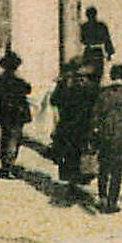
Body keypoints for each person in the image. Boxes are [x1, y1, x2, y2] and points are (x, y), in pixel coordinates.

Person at [88, 64, 122, 214]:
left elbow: (94, 116)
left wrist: (93, 134)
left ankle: (102, 199)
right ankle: (112, 202)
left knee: (104, 168)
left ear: (111, 76)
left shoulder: (102, 94)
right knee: (118, 170)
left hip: (105, 134)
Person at [49, 55, 101, 188]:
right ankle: (81, 178)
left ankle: (72, 180)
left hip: (67, 124)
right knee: (82, 151)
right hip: (84, 124)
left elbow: (54, 100)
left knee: (69, 153)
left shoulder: (64, 83)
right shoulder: (92, 85)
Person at [0, 50, 32, 177]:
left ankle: (5, 165)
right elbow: (28, 90)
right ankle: (8, 168)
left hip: (4, 112)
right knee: (15, 139)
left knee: (5, 138)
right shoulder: (18, 81)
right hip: (17, 113)